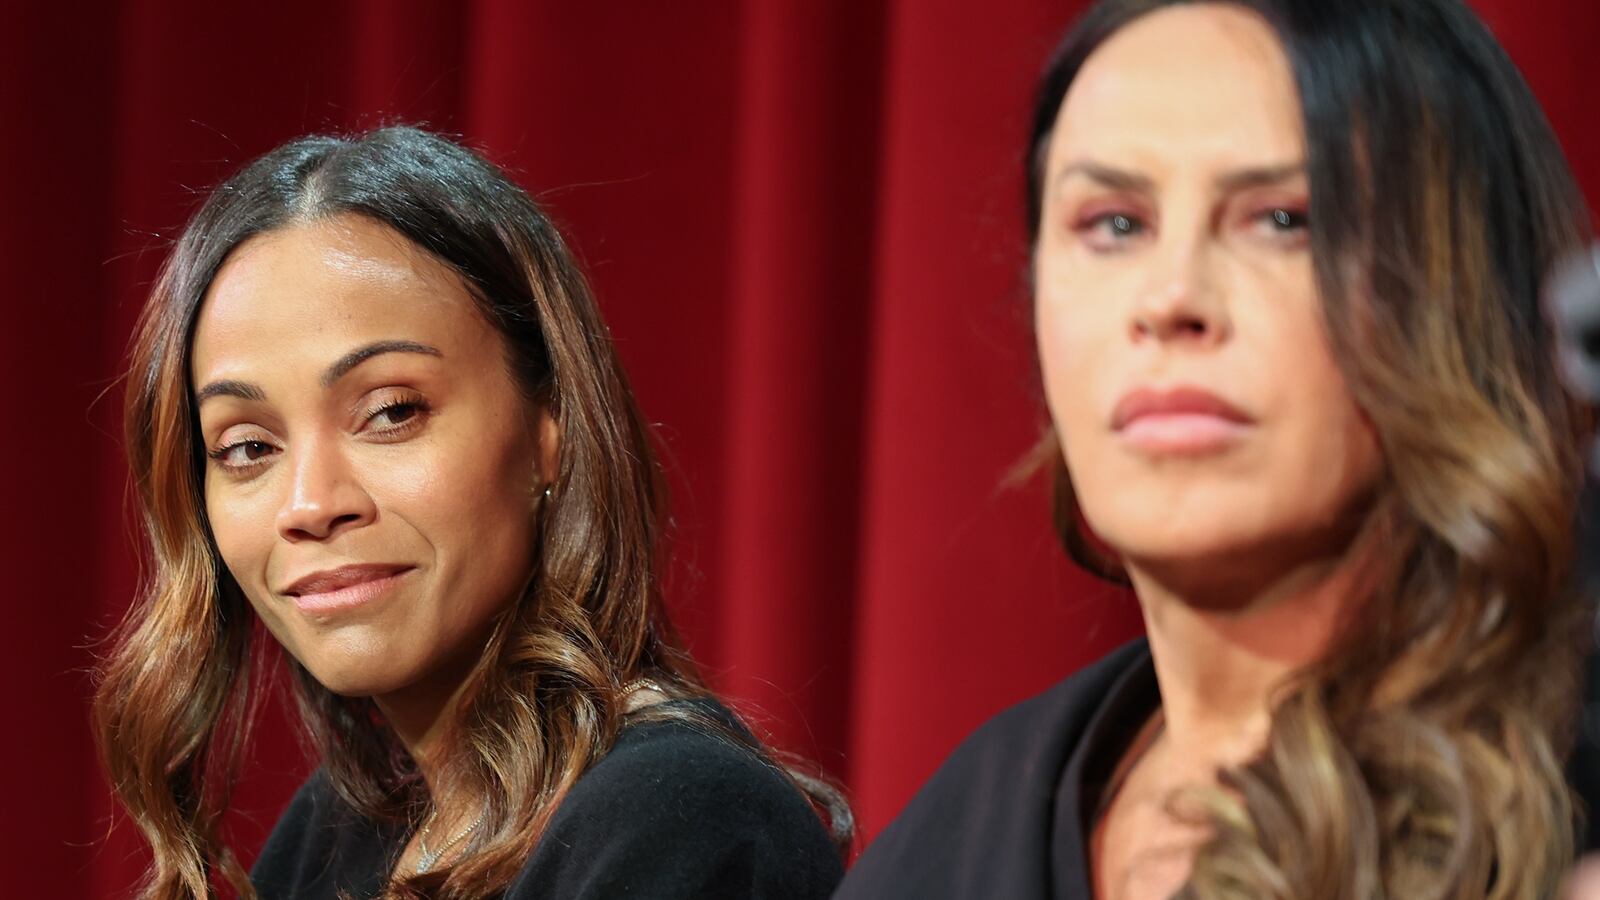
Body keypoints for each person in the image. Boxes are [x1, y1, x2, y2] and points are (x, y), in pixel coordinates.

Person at [834, 0, 1594, 897]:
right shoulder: (957, 839)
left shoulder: (1573, 760)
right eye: (1114, 224)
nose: (1172, 297)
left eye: (1281, 219)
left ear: (1455, 283)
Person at [93, 126, 848, 900]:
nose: (310, 504)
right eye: (248, 448)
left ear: (550, 431)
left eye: (391, 412)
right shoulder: (340, 830)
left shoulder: (681, 820)